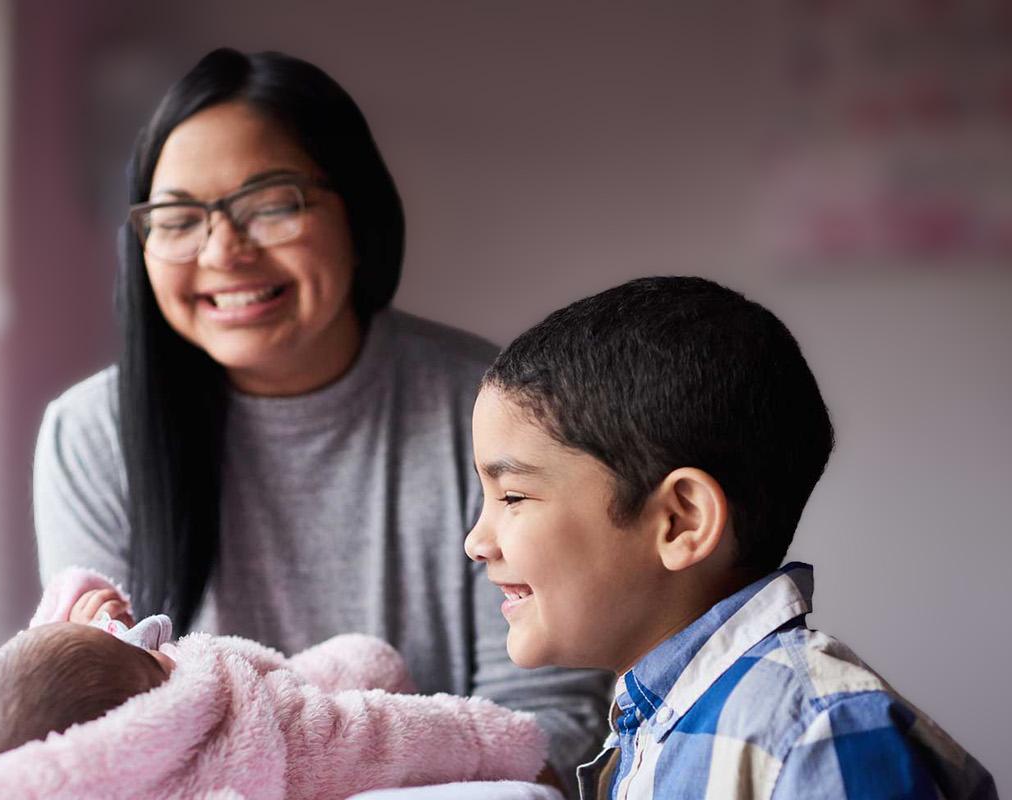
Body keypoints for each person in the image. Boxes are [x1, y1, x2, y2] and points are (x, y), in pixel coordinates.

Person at [30, 47, 607, 783]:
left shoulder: (490, 410)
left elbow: (547, 724)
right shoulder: (92, 435)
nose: (224, 251)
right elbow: (99, 725)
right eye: (178, 218)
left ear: (358, 211)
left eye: (271, 205)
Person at [463, 277, 998, 799]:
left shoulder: (814, 735)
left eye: (512, 496)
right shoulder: (652, 726)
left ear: (681, 521)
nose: (476, 542)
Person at [0, 570, 548, 800]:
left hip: (291, 679)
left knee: (350, 665)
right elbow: (382, 735)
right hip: (288, 709)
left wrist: (81, 627)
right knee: (365, 670)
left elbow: (32, 683)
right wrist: (501, 740)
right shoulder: (244, 741)